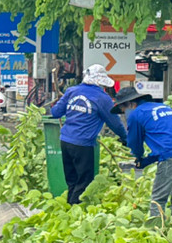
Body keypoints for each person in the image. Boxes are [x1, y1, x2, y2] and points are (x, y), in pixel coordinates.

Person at [114, 88, 172, 221]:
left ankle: (155, 233)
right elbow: (170, 145)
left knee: (158, 200)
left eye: (123, 110)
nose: (124, 114)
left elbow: (134, 143)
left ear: (130, 104)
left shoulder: (136, 114)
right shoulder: (163, 107)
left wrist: (137, 157)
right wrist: (146, 161)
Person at [49, 64, 129, 204]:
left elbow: (55, 112)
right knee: (84, 182)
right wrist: (126, 138)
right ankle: (75, 212)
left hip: (65, 141)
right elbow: (115, 123)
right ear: (101, 81)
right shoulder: (103, 98)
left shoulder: (71, 91)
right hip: (83, 144)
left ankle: (69, 210)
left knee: (72, 181)